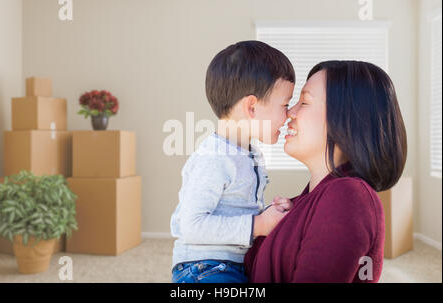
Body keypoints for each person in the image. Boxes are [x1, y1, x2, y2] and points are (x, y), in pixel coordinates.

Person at [244, 60, 407, 283]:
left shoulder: (349, 196)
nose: (289, 112)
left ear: (347, 118)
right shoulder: (307, 201)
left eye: (304, 102)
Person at [170, 40, 296, 283]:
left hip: (232, 265)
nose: (289, 113)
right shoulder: (215, 157)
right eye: (285, 104)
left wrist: (268, 214)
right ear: (251, 106)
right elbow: (192, 226)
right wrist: (257, 225)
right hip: (203, 268)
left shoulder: (249, 152)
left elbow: (233, 209)